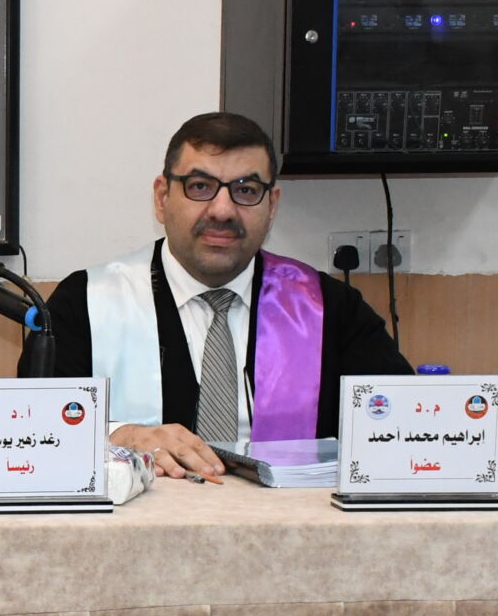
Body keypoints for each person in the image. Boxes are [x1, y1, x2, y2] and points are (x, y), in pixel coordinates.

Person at [47, 109, 408, 479]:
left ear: (272, 206)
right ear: (162, 197)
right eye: (200, 186)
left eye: (246, 190)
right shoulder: (85, 304)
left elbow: (400, 427)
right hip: (141, 514)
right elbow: (37, 431)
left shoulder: (330, 310)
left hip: (290, 515)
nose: (222, 210)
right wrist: (118, 435)